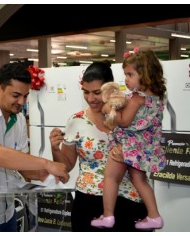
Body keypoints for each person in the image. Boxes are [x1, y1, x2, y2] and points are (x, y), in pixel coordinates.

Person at [0, 62, 70, 232]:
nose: (21, 102)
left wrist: (42, 174)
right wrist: (46, 164)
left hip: (8, 210)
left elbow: (20, 163)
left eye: (26, 96)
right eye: (16, 95)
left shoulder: (17, 120)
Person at [50, 61, 150, 232]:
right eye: (85, 92)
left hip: (128, 200)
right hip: (88, 203)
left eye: (97, 92)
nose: (90, 99)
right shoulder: (77, 121)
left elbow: (149, 154)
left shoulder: (130, 113)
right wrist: (54, 149)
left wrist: (128, 153)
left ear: (111, 89)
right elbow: (67, 166)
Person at [91, 49, 166, 230]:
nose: (126, 79)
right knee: (140, 180)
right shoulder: (156, 97)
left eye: (130, 75)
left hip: (128, 145)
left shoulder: (137, 98)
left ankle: (108, 215)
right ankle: (154, 216)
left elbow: (124, 121)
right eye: (126, 75)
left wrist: (110, 111)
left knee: (110, 178)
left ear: (146, 74)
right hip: (144, 146)